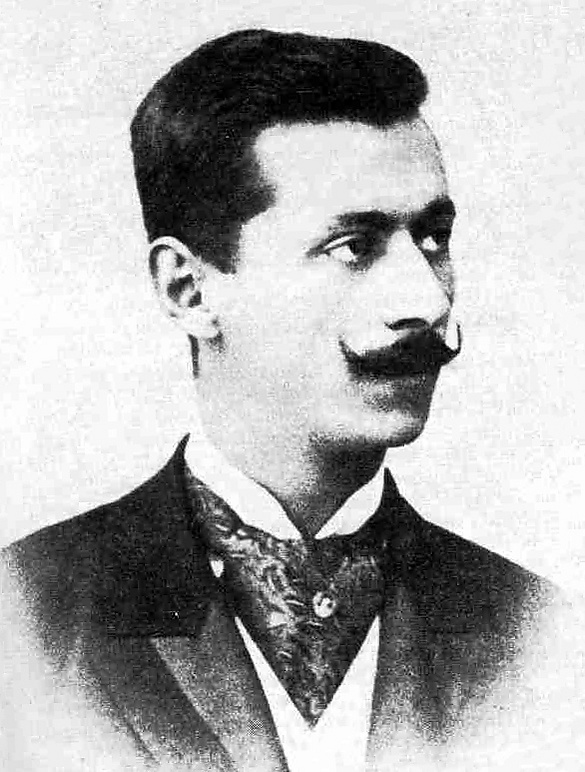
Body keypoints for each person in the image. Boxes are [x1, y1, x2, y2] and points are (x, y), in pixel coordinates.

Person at [1, 28, 582, 772]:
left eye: (433, 238)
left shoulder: (543, 634)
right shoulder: (24, 623)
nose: (426, 300)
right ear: (189, 290)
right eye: (353, 246)